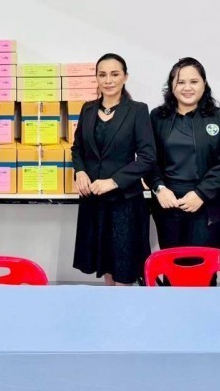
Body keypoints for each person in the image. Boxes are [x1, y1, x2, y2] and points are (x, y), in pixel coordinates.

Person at [71, 53, 156, 285]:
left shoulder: (137, 110)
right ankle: (109, 304)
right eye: (102, 75)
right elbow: (77, 148)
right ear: (97, 78)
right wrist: (80, 171)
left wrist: (113, 181)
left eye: (115, 74)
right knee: (105, 265)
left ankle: (123, 307)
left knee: (124, 268)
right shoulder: (88, 109)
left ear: (125, 77)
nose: (108, 80)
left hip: (124, 202)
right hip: (94, 201)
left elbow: (147, 158)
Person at [146, 57, 220, 252]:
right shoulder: (157, 117)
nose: (187, 87)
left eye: (194, 81)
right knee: (171, 265)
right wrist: (159, 188)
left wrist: (201, 194)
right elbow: (147, 158)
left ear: (204, 84)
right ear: (171, 86)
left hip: (208, 205)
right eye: (180, 82)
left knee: (202, 266)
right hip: (168, 204)